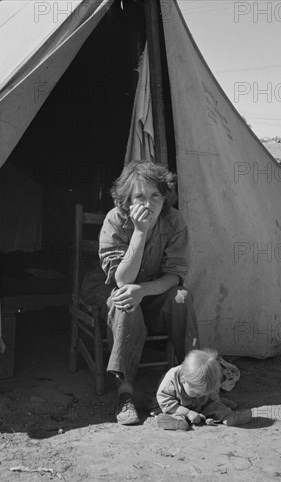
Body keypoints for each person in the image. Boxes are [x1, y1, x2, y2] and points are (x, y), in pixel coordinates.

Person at [80, 161, 200, 425]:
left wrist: (144, 290)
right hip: (108, 288)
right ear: (127, 199)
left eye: (155, 195)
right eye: (140, 196)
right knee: (123, 301)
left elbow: (174, 274)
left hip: (151, 290)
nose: (148, 203)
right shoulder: (116, 219)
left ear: (164, 196)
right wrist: (140, 231)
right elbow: (122, 280)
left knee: (182, 298)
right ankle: (125, 393)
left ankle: (192, 382)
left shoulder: (174, 220)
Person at [156, 348, 252, 430]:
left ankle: (228, 416)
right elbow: (165, 403)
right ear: (183, 379)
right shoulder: (170, 381)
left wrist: (217, 402)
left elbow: (212, 395)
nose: (201, 395)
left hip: (198, 405)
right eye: (197, 393)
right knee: (173, 413)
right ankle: (177, 422)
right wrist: (188, 412)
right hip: (176, 407)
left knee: (213, 405)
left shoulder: (205, 382)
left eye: (204, 393)